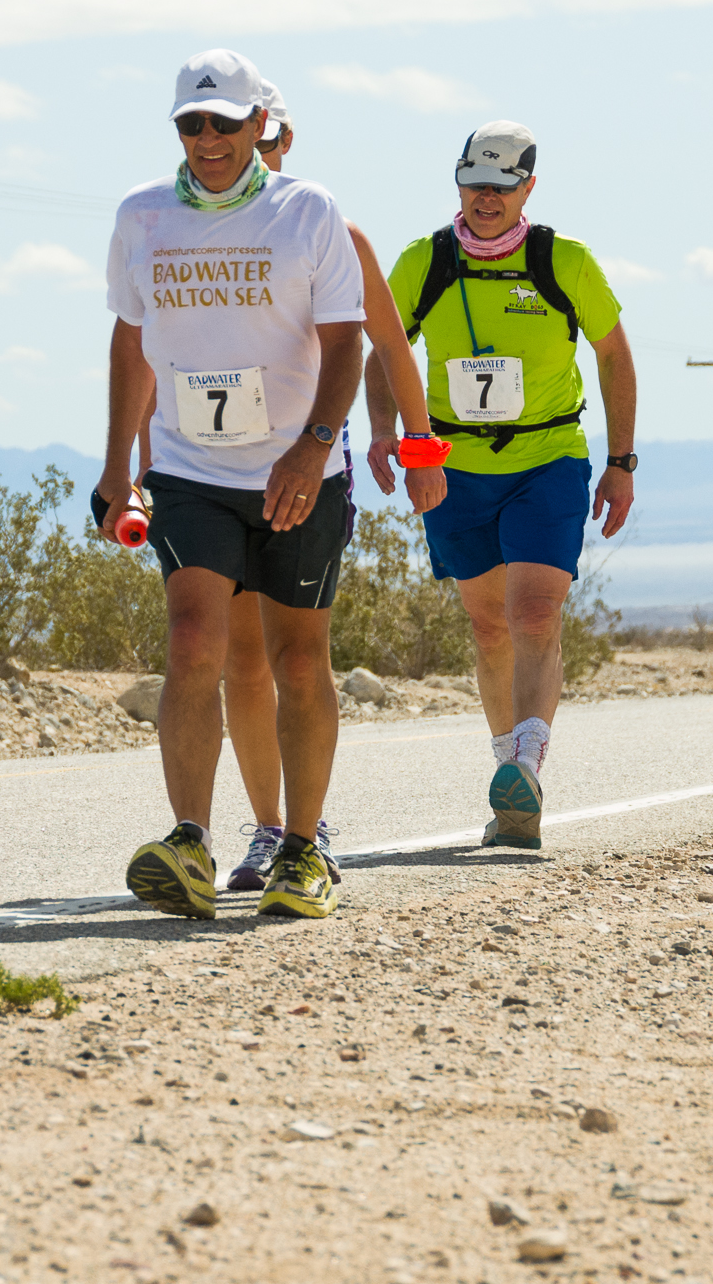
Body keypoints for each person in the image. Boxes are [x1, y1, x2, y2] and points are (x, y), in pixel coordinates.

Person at [98, 48, 370, 920]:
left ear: (260, 125)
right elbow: (130, 338)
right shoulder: (142, 216)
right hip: (189, 472)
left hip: (299, 474)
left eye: (223, 122)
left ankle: (302, 847)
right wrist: (117, 467)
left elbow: (346, 343)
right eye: (191, 123)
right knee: (191, 645)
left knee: (297, 659)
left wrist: (312, 447)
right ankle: (188, 840)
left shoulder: (308, 212)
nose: (207, 138)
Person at [191, 80, 447, 892]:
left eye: (260, 145)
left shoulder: (327, 228)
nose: (244, 162)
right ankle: (269, 830)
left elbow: (389, 344)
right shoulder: (186, 230)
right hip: (214, 466)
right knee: (239, 661)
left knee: (295, 659)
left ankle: (307, 829)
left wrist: (419, 445)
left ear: (280, 142)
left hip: (310, 467)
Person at [367, 120, 637, 850]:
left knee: (534, 611)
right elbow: (384, 353)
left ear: (528, 188)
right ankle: (507, 780)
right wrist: (385, 432)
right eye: (473, 185)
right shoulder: (424, 261)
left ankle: (527, 764)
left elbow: (613, 357)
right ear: (457, 183)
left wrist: (621, 461)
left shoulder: (564, 261)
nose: (485, 199)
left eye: (501, 187)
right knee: (487, 625)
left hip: (548, 456)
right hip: (454, 467)